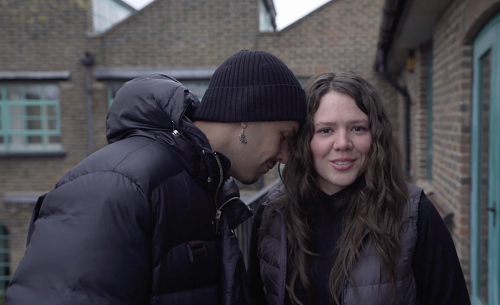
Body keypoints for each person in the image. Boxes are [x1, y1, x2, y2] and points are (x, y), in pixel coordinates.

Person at [6, 50, 306, 305]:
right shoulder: (114, 184)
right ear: (246, 116)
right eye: (284, 136)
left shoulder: (207, 186)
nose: (285, 156)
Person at [247, 72, 471, 305]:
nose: (343, 143)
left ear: (375, 136)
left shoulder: (415, 214)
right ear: (304, 139)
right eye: (326, 130)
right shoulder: (272, 213)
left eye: (358, 128)